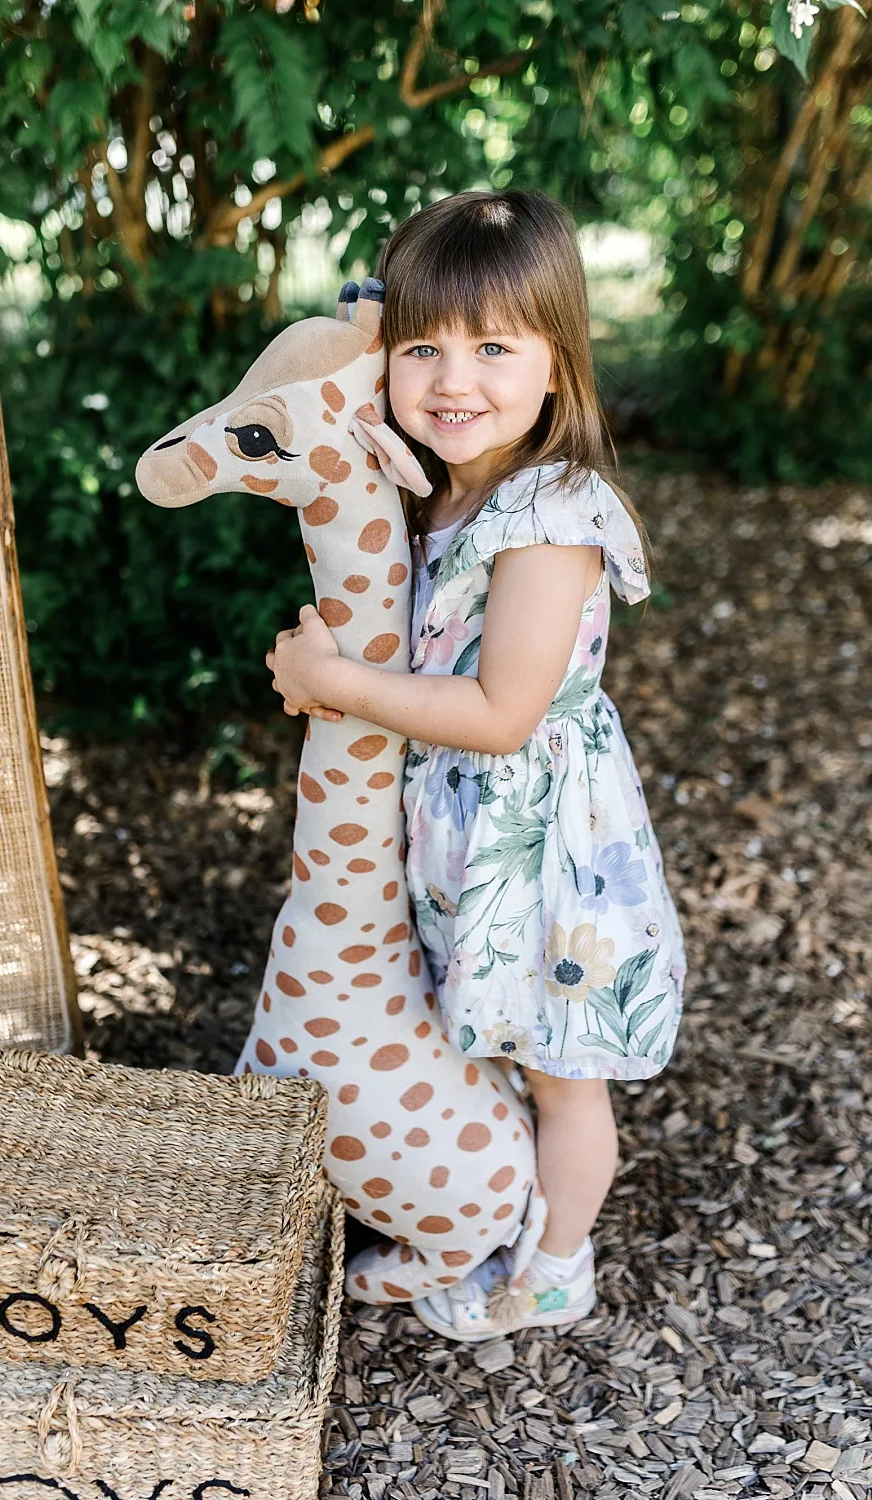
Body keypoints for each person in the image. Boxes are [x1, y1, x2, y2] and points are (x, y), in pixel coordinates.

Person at [266, 188, 687, 1340]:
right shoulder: (445, 490)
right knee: (488, 1044)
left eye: (494, 347)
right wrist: (372, 327)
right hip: (468, 846)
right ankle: (488, 1217)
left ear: (558, 366)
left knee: (561, 1076)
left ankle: (554, 1266)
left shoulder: (550, 511)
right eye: (422, 351)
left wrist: (335, 683)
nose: (454, 380)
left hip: (544, 856)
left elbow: (502, 711)